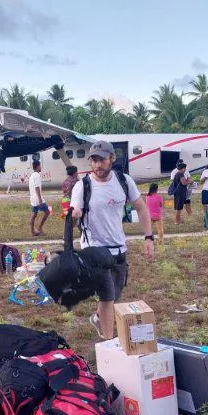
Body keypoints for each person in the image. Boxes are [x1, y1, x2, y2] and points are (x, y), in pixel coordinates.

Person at [71, 140, 154, 339]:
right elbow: (73, 219)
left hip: (118, 248)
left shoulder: (124, 181)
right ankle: (108, 344)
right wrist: (75, 216)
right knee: (107, 297)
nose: (97, 165)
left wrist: (148, 237)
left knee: (114, 295)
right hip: (94, 250)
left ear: (112, 158)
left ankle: (98, 319)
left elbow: (141, 207)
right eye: (94, 161)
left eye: (102, 160)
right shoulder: (82, 186)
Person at [28, 160, 50, 236]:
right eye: (40, 166)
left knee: (34, 215)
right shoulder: (37, 175)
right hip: (37, 198)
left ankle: (32, 232)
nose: (41, 167)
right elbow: (37, 187)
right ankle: (39, 228)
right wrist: (40, 199)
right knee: (47, 212)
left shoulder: (32, 175)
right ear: (38, 166)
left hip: (33, 198)